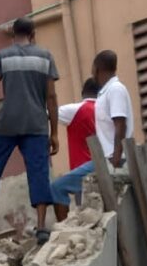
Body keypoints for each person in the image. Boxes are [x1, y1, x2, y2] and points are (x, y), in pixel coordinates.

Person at [0, 17, 59, 244]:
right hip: (36, 123)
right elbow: (51, 96)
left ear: (12, 34)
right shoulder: (46, 57)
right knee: (39, 172)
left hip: (7, 123)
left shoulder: (2, 56)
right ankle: (41, 227)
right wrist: (55, 132)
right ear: (33, 34)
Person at [49, 50, 134, 221]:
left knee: (58, 187)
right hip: (104, 159)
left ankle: (63, 229)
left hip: (111, 160)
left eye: (93, 67)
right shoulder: (105, 93)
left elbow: (120, 124)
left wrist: (116, 159)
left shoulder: (115, 90)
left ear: (98, 68)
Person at [58, 78, 100, 172]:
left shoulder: (75, 110)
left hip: (81, 170)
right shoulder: (106, 111)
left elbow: (47, 113)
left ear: (82, 92)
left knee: (55, 186)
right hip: (103, 168)